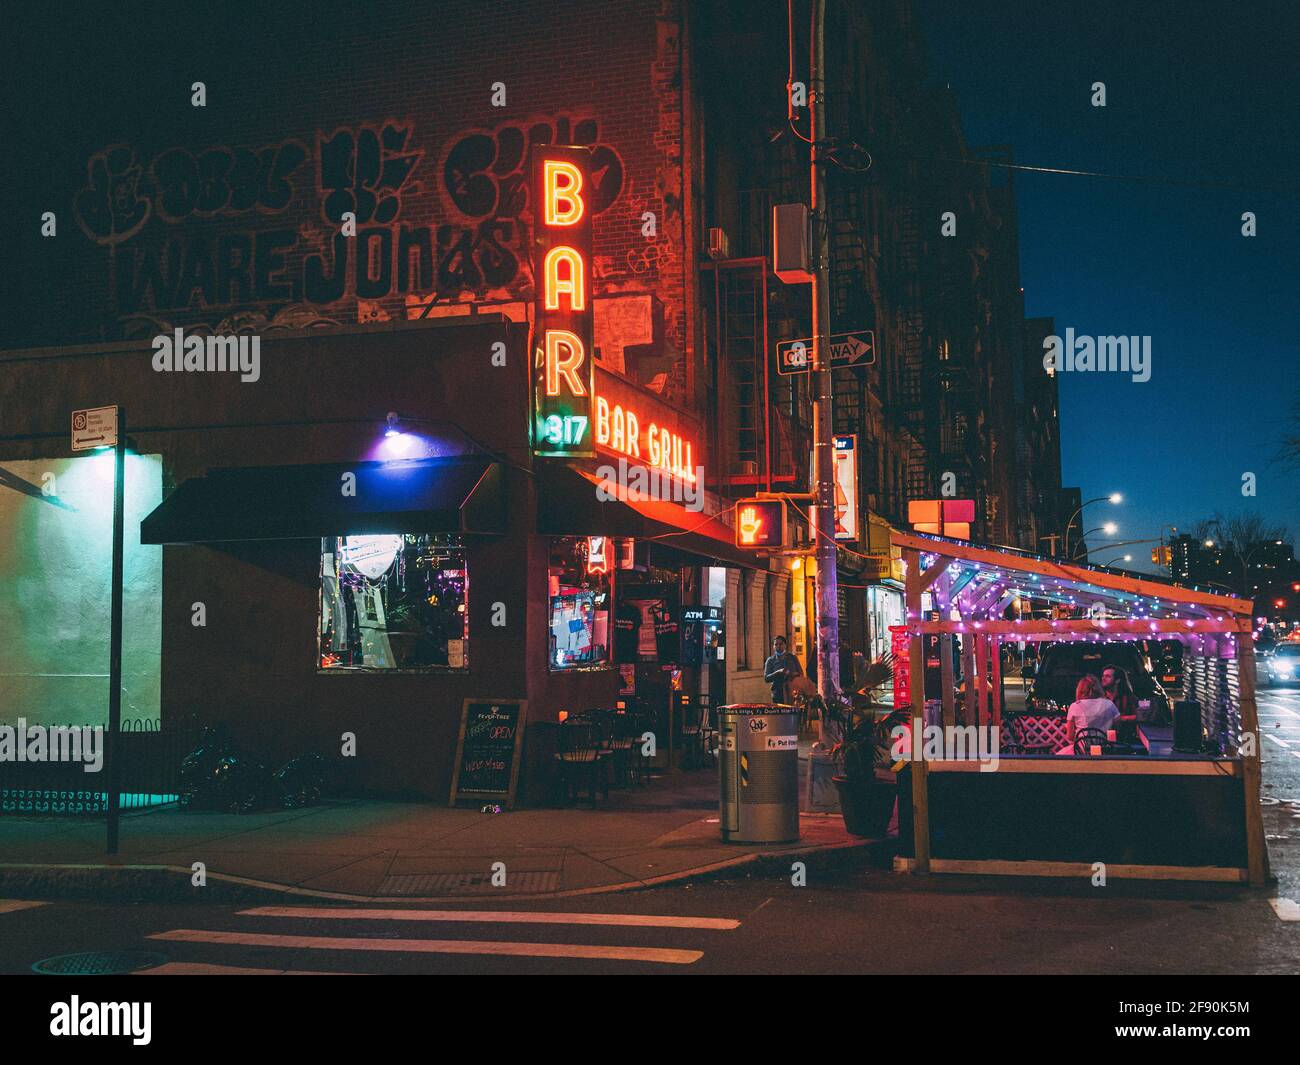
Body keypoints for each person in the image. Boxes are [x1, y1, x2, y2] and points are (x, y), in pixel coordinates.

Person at [1055, 675, 1120, 755]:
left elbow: (1070, 737)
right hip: (1106, 750)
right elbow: (1117, 729)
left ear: (1080, 690)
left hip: (1082, 751)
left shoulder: (1075, 706)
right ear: (1098, 688)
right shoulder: (1109, 704)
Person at [1101, 665, 1139, 741]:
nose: (1103, 678)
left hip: (1124, 740)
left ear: (1117, 680)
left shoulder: (1128, 698)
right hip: (1101, 739)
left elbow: (1139, 717)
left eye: (1108, 676)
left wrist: (1121, 719)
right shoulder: (1099, 698)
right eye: (1103, 676)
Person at [763, 636, 803, 703]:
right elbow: (766, 678)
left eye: (781, 644)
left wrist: (793, 675)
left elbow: (801, 673)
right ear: (773, 646)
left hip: (792, 693)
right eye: (776, 644)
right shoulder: (770, 660)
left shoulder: (792, 658)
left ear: (785, 645)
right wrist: (778, 672)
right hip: (778, 693)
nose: (778, 646)